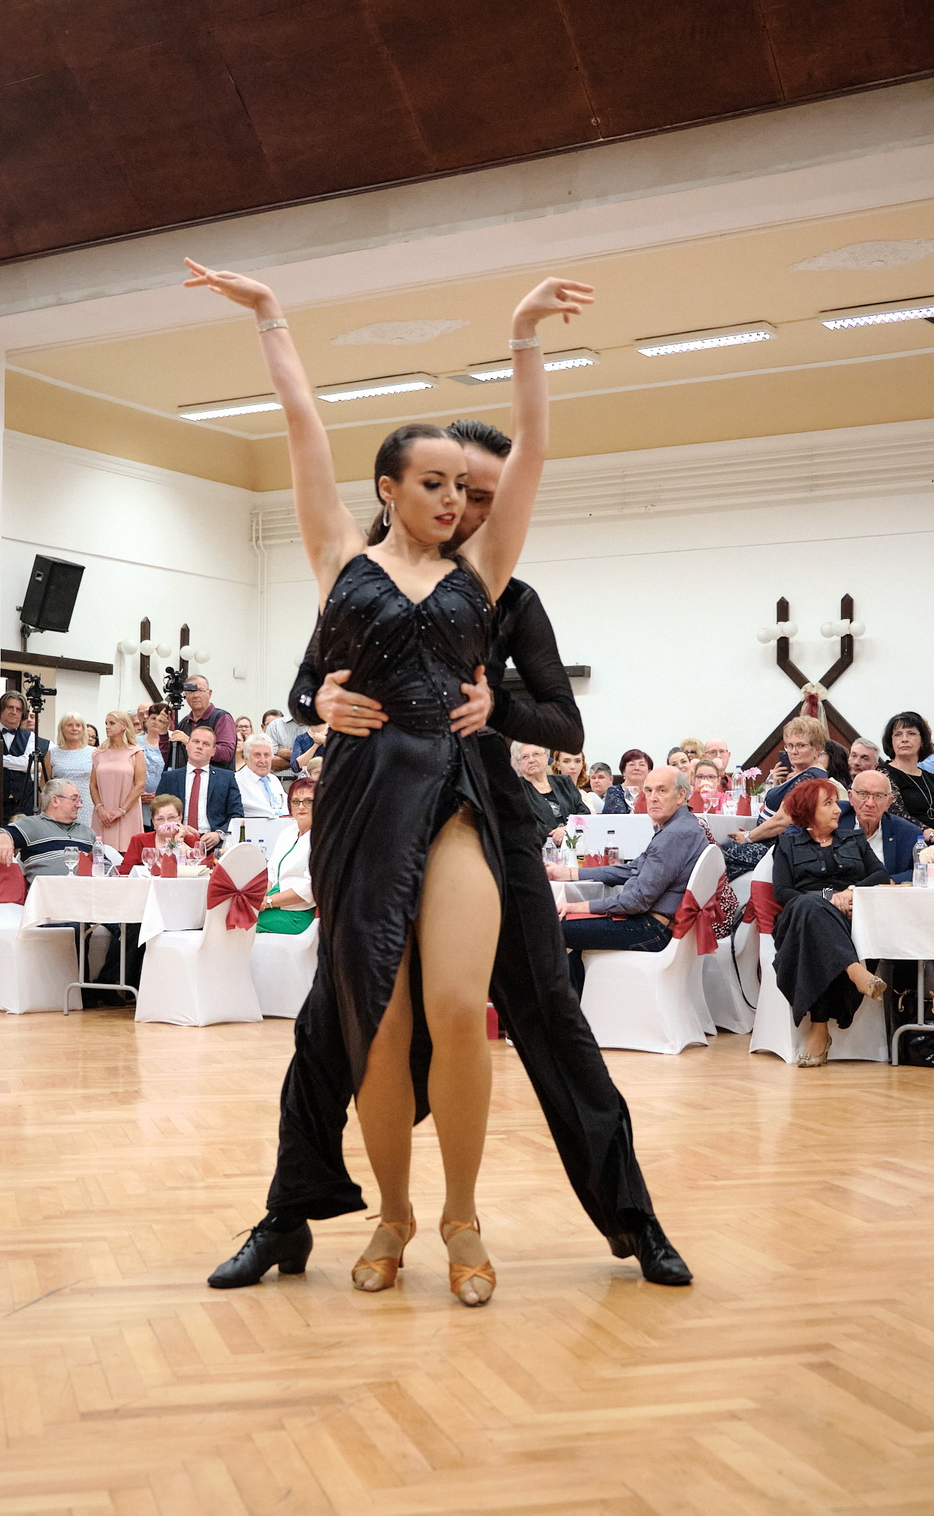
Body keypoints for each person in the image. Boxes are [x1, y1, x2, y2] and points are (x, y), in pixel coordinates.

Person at [186, 257, 608, 1307]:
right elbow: (301, 425)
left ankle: (463, 1217)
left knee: (459, 1007)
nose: (454, 500)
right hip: (360, 802)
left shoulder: (483, 573)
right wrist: (271, 316)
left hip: (454, 801)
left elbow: (534, 451)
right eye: (433, 483)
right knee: (375, 1020)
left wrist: (523, 335)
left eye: (462, 488)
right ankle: (392, 1216)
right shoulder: (339, 555)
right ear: (387, 488)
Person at [222, 413, 690, 1292]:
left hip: (487, 823)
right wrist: (317, 702)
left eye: (481, 494)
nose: (469, 507)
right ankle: (289, 1221)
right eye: (458, 490)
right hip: (375, 815)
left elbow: (564, 722)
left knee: (549, 1020)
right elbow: (308, 682)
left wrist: (493, 703)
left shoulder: (509, 595)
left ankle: (635, 1221)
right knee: (328, 1029)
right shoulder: (364, 575)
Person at [558, 768, 708, 995]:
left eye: (662, 790)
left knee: (553, 929)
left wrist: (575, 907)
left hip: (653, 930)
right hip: (658, 924)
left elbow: (635, 902)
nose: (653, 798)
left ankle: (559, 1010)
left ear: (680, 795)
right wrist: (570, 874)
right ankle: (576, 1007)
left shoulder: (674, 835)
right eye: (649, 790)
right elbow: (630, 869)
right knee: (568, 933)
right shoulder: (682, 826)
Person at [771, 778, 890, 1067]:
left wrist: (850, 892)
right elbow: (783, 892)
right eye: (828, 804)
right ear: (808, 811)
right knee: (810, 908)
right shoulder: (787, 844)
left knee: (818, 933)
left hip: (847, 920)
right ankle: (855, 971)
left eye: (836, 802)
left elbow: (880, 874)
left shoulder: (853, 839)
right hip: (798, 920)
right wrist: (827, 899)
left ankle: (819, 1030)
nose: (838, 809)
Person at [725, 715, 829, 875]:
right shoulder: (803, 774)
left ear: (816, 749)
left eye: (801, 745)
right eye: (790, 746)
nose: (793, 751)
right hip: (771, 842)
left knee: (720, 854)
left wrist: (749, 836)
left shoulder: (809, 778)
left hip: (779, 848)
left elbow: (783, 820)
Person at [155, 724, 244, 850]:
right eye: (196, 741)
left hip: (215, 844)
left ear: (213, 751)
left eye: (206, 744)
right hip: (177, 841)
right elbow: (157, 812)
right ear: (187, 745)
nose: (199, 746)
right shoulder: (169, 778)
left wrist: (219, 834)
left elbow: (237, 814)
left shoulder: (226, 778)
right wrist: (178, 827)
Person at [0, 779, 94, 879]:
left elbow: (101, 865)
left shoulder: (88, 832)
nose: (79, 805)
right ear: (55, 801)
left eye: (79, 800)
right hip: (45, 892)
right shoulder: (31, 825)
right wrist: (3, 837)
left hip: (85, 890)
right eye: (74, 799)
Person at [257, 778, 317, 934]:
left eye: (308, 801)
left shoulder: (322, 838)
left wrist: (268, 901)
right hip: (274, 903)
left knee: (241, 923)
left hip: (299, 913)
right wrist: (261, 897)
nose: (301, 806)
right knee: (234, 914)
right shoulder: (287, 833)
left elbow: (310, 888)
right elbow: (271, 872)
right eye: (295, 801)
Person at [838, 771, 919, 883]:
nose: (870, 803)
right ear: (851, 797)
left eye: (878, 796)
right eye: (863, 794)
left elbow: (921, 869)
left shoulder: (907, 833)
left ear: (889, 802)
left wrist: (889, 881)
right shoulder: (835, 820)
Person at [90, 712, 145, 853]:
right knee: (102, 855)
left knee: (128, 853)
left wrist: (122, 810)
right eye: (106, 723)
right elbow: (93, 785)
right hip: (103, 812)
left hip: (128, 811)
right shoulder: (98, 753)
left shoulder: (136, 752)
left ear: (124, 725)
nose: (107, 727)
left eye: (112, 723)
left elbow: (140, 784)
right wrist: (100, 808)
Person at [513, 742, 587, 842]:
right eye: (525, 757)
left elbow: (584, 813)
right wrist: (555, 835)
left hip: (574, 842)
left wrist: (567, 829)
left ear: (547, 757)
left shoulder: (564, 782)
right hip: (540, 844)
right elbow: (526, 823)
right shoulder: (517, 789)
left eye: (536, 754)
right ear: (518, 763)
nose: (531, 760)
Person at [163, 676, 237, 770]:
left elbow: (226, 753)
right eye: (191, 692)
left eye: (200, 690)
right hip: (188, 777)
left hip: (215, 777)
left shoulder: (222, 718)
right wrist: (162, 732)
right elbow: (171, 759)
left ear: (209, 693)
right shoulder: (185, 722)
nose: (195, 696)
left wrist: (189, 742)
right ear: (185, 696)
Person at [118, 794, 200, 873]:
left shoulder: (191, 840)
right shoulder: (139, 840)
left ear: (180, 818)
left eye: (171, 817)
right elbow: (125, 872)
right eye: (160, 819)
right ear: (153, 822)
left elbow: (200, 869)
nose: (166, 823)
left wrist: (179, 843)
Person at [882, 711, 934, 833]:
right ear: (891, 741)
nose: (904, 739)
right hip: (909, 837)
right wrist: (928, 832)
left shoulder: (930, 777)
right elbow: (896, 814)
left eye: (911, 733)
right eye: (898, 734)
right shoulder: (883, 774)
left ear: (922, 741)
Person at [0, 690, 46, 821]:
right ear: (1, 709)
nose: (14, 712)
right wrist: (15, 762)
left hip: (24, 801)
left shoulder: (30, 736)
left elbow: (28, 764)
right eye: (10, 707)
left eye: (18, 709)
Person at [44, 713, 95, 826]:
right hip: (59, 807)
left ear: (83, 729)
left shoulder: (94, 753)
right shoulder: (52, 753)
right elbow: (44, 786)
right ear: (62, 729)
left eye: (78, 725)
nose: (74, 728)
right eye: (70, 725)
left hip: (87, 806)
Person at [235, 735, 287, 818]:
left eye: (266, 755)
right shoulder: (237, 781)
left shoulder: (274, 780)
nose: (263, 761)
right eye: (257, 755)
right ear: (246, 759)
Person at [136, 703, 168, 828]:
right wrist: (137, 792)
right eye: (153, 718)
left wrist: (160, 793)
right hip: (138, 798)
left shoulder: (172, 741)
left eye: (160, 719)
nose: (156, 722)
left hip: (164, 798)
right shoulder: (134, 742)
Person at [601, 749, 652, 814]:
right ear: (623, 771)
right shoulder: (614, 792)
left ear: (649, 771)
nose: (637, 768)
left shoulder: (653, 793)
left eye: (641, 765)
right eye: (632, 764)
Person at [264, 711, 301, 779]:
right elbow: (270, 760)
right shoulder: (274, 726)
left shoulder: (319, 726)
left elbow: (319, 759)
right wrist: (304, 760)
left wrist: (281, 753)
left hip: (310, 781)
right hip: (280, 780)